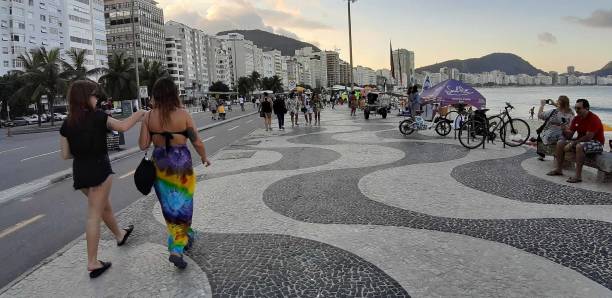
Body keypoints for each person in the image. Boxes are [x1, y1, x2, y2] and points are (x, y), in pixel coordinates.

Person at [60, 80, 143, 278]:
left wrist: (83, 153)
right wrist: (140, 114)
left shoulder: (67, 122)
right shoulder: (99, 117)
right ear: (86, 98)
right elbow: (123, 127)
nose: (97, 98)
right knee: (94, 215)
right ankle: (92, 263)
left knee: (103, 207)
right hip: (99, 170)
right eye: (94, 95)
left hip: (80, 172)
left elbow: (65, 154)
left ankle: (120, 235)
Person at [138, 78, 211, 269]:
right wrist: (204, 157)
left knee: (170, 207)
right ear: (174, 94)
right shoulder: (183, 114)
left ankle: (185, 236)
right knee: (185, 204)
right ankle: (176, 247)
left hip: (160, 166)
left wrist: (145, 122)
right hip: (181, 166)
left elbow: (143, 145)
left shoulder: (148, 117)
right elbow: (196, 141)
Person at [547, 99, 605, 183]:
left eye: (579, 108)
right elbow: (569, 135)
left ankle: (578, 176)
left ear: (587, 108)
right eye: (575, 108)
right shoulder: (576, 119)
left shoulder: (593, 119)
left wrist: (572, 144)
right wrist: (564, 130)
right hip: (581, 141)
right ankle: (559, 169)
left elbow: (588, 137)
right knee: (560, 143)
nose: (576, 110)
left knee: (579, 146)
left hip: (597, 143)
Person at [535, 96, 574, 160]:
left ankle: (541, 155)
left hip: (552, 136)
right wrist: (554, 104)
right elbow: (563, 110)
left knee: (540, 136)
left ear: (559, 103)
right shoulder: (571, 113)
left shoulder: (553, 112)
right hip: (565, 135)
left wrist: (542, 105)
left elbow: (540, 115)